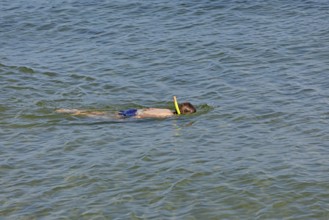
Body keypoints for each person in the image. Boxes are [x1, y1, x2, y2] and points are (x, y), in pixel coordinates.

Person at [56, 96, 196, 119]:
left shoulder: (166, 110)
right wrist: (137, 117)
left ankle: (72, 111)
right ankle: (76, 114)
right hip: (133, 115)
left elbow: (149, 109)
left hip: (133, 109)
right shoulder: (167, 116)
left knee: (102, 112)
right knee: (101, 116)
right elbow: (148, 115)